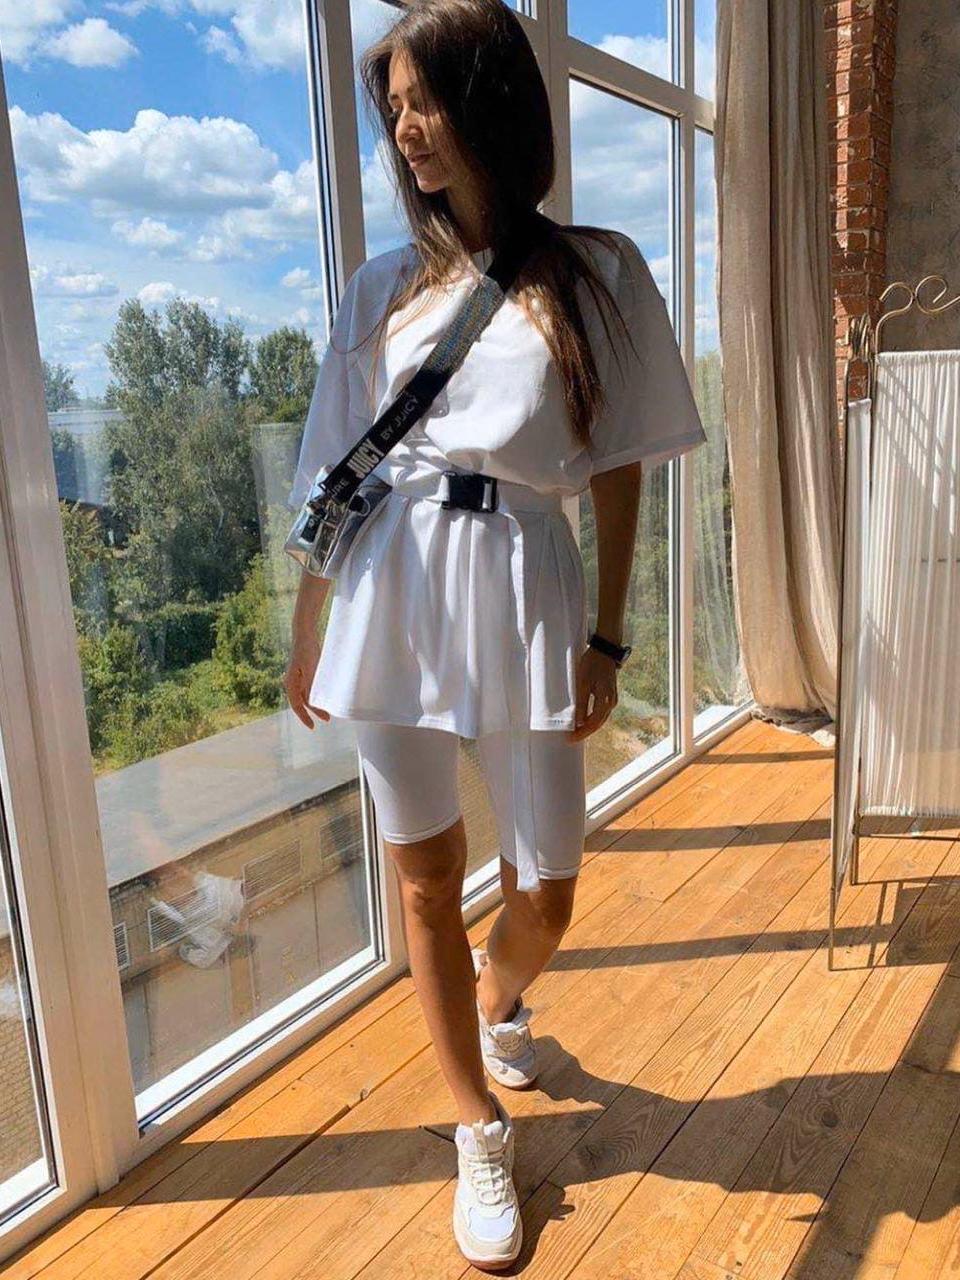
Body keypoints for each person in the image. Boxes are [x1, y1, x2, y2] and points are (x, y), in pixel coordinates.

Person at [283, 0, 707, 1267]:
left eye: (429, 100)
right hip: (388, 589)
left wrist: (611, 637)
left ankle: (496, 994)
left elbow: (621, 464)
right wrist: (307, 633)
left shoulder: (597, 270)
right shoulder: (379, 289)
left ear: (493, 102)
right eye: (396, 108)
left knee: (548, 889)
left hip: (524, 582)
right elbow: (329, 476)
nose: (408, 130)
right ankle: (476, 1121)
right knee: (424, 874)